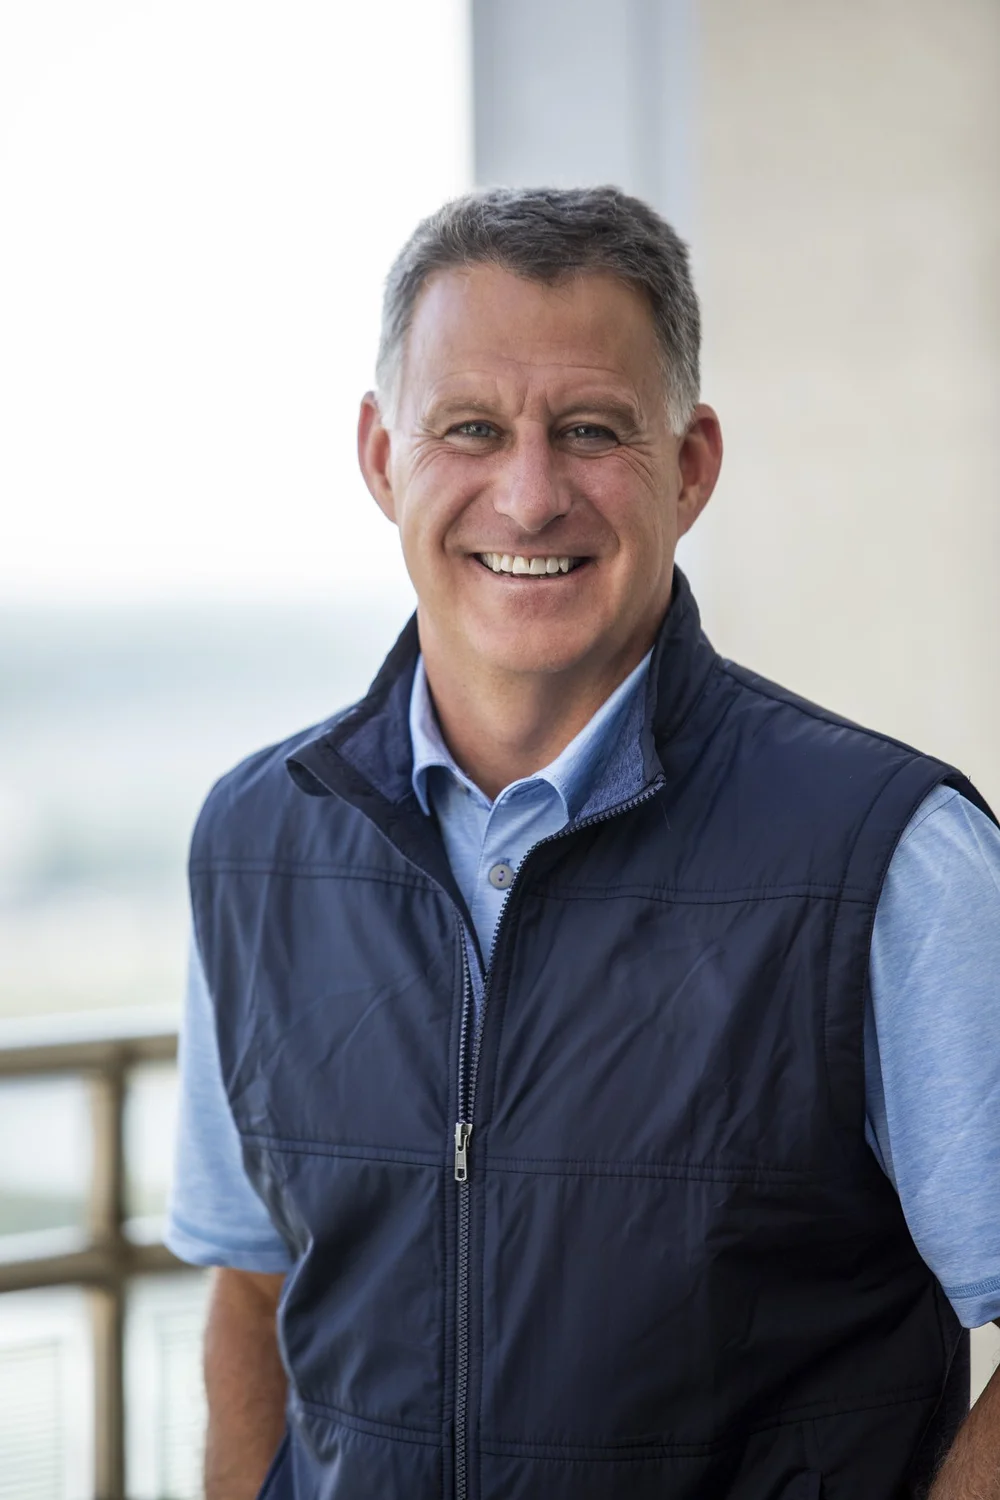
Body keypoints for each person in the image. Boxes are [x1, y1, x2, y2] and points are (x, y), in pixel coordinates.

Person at [166, 187, 1000, 1500]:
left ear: (692, 465)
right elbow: (255, 1281)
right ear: (383, 457)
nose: (530, 492)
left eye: (593, 430)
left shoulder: (891, 863)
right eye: (472, 429)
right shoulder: (259, 839)